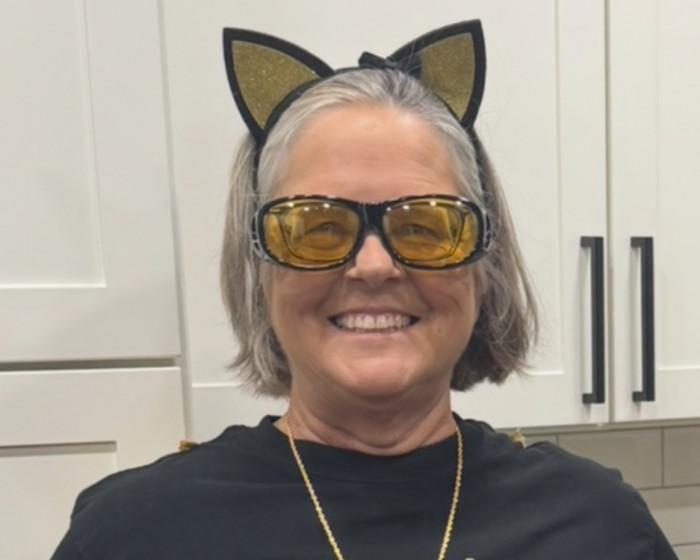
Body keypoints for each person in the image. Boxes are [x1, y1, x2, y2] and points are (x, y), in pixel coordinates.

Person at [51, 21, 677, 560]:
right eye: (317, 227)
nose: (374, 266)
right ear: (257, 267)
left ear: (484, 264)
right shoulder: (135, 532)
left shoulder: (600, 525)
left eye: (425, 225)